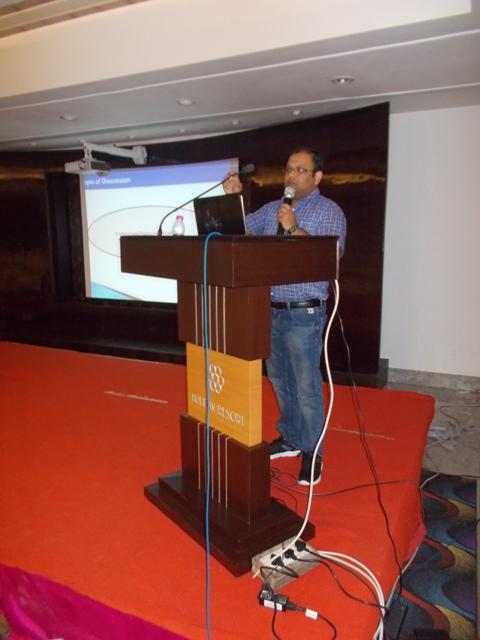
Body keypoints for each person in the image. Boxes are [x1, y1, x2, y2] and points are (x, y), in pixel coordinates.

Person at [223, 148, 346, 485]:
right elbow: (240, 229)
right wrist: (234, 199)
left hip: (304, 313)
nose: (291, 175)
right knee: (280, 381)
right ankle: (292, 437)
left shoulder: (328, 211)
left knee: (307, 387)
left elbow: (329, 257)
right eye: (289, 169)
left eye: (300, 170)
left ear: (317, 177)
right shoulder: (272, 209)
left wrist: (293, 229)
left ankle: (313, 451)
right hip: (271, 311)